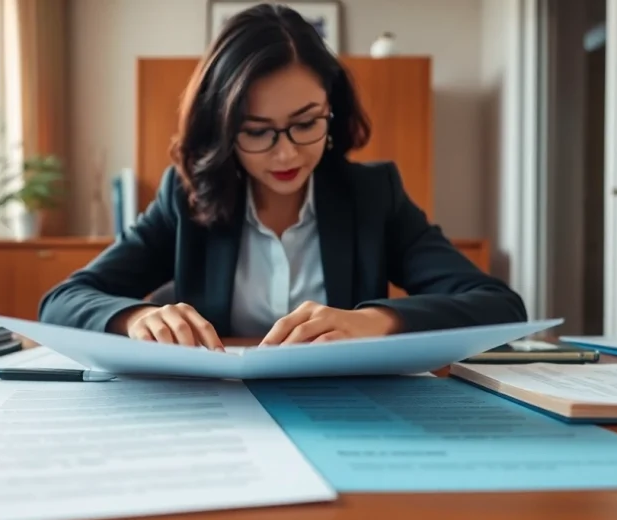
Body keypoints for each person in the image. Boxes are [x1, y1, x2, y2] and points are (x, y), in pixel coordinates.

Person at [39, 3, 527, 350]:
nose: (287, 151)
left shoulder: (373, 195)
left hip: (346, 414)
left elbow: (499, 306)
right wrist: (137, 317)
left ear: (331, 109)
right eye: (258, 132)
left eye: (306, 122)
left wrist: (375, 321)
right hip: (219, 416)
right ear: (224, 130)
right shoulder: (186, 200)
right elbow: (62, 302)